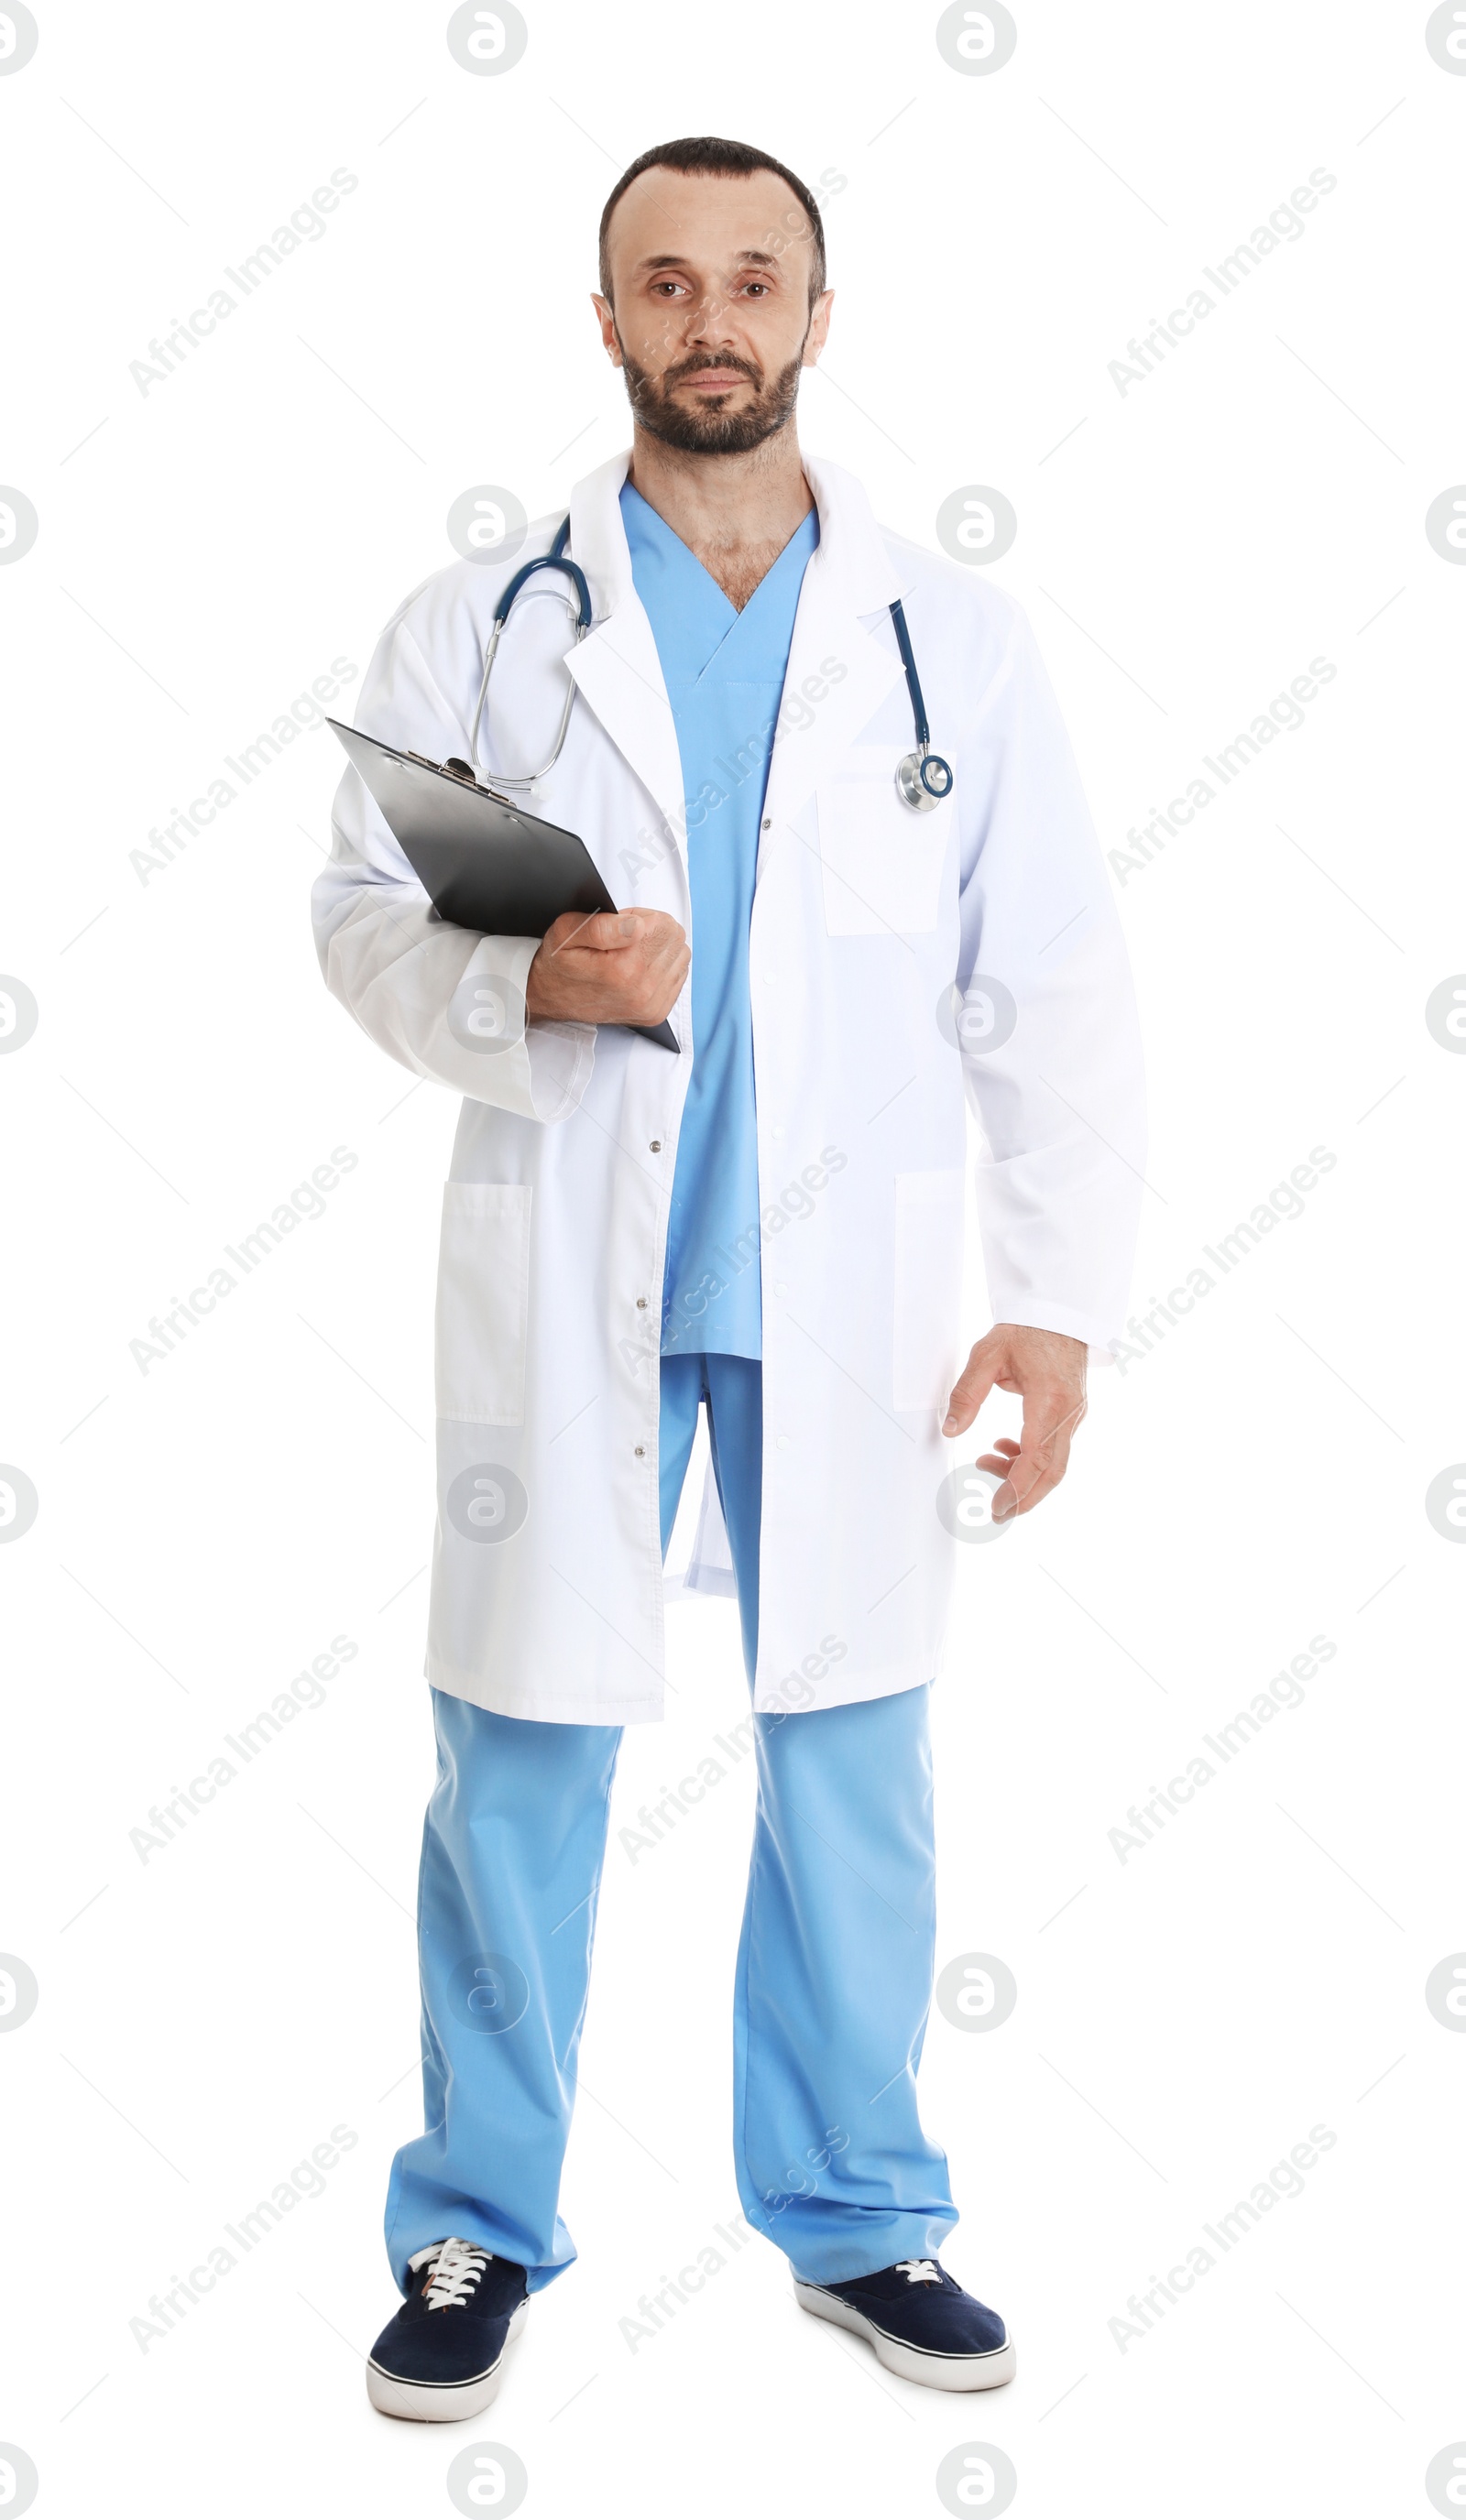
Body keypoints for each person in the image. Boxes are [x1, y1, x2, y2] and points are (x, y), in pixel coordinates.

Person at [312, 133, 1144, 2421]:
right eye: (664, 281)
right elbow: (364, 921)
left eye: (752, 279)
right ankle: (475, 2218)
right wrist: (523, 993)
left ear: (814, 317)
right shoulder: (484, 621)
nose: (710, 317)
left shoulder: (939, 631)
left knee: (854, 1753)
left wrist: (1052, 1300)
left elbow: (1048, 978)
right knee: (517, 1757)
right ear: (604, 321)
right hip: (574, 1252)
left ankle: (864, 2215)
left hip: (853, 1288)